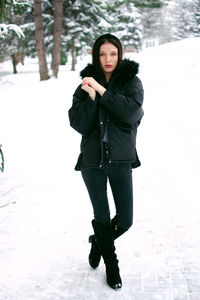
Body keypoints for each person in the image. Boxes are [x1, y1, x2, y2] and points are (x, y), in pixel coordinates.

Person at [68, 33, 144, 290]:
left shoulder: (132, 82)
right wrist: (90, 99)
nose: (108, 59)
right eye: (102, 54)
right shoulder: (85, 85)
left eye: (113, 53)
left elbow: (130, 113)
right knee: (101, 215)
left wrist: (101, 90)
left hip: (121, 159)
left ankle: (98, 242)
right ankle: (112, 266)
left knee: (125, 220)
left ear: (119, 54)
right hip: (92, 162)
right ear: (96, 56)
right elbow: (79, 124)